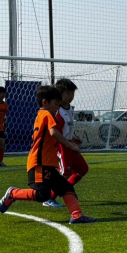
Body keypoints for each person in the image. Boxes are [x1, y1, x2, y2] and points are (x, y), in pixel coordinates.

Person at [0, 85, 96, 224]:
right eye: (56, 103)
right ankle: (13, 194)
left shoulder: (42, 115)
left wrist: (70, 141)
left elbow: (51, 136)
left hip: (47, 164)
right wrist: (71, 145)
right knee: (42, 194)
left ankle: (76, 215)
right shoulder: (47, 114)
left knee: (67, 188)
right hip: (39, 163)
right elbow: (54, 133)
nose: (57, 107)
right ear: (45, 102)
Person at [42, 78, 88, 208]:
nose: (71, 96)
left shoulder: (70, 109)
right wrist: (68, 143)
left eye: (72, 93)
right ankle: (49, 198)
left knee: (83, 169)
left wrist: (73, 139)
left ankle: (67, 190)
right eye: (68, 93)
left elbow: (66, 129)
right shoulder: (57, 112)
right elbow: (56, 133)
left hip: (70, 144)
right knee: (65, 173)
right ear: (59, 94)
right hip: (62, 146)